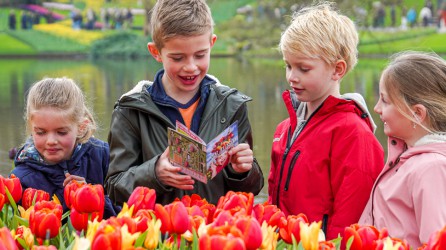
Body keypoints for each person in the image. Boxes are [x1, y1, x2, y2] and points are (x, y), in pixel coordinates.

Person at [105, 0, 264, 206]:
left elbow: (250, 190)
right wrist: (154, 173)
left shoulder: (232, 105)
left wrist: (243, 171)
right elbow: (113, 188)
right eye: (178, 58)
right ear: (156, 52)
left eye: (200, 55)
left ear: (212, 44)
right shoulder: (130, 110)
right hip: (159, 234)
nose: (191, 67)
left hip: (215, 232)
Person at [267, 2, 384, 240]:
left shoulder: (353, 133)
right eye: (288, 66)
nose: (292, 77)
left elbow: (351, 220)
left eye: (304, 68)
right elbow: (273, 198)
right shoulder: (285, 128)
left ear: (337, 70)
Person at [359, 51, 446, 248]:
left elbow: (436, 243)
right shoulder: (406, 158)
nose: (377, 108)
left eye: (385, 101)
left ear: (416, 113)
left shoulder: (432, 169)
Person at [11, 77, 117, 218]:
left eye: (61, 132)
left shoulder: (103, 157)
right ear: (32, 127)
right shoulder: (21, 178)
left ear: (81, 127)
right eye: (41, 132)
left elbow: (126, 212)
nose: (51, 141)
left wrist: (90, 197)